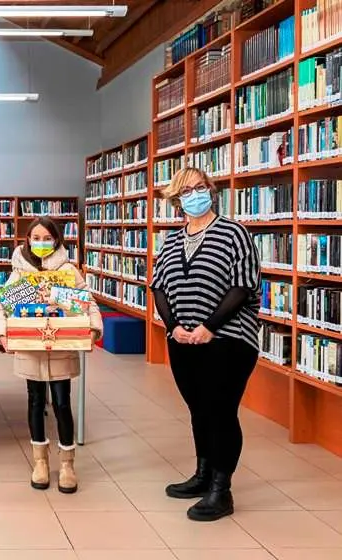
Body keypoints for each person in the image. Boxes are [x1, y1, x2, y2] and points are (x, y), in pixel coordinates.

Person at [151, 167, 261, 522]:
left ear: (212, 191)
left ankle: (221, 489)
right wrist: (174, 327)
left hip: (228, 338)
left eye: (200, 187)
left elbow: (243, 286)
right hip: (183, 340)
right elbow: (158, 287)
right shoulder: (171, 240)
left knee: (221, 410)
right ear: (176, 200)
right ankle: (202, 475)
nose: (195, 195)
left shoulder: (234, 233)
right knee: (198, 408)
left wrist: (209, 326)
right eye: (186, 191)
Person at [0, 217, 102, 494]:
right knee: (35, 401)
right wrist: (1, 333)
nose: (41, 243)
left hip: (62, 346)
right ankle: (39, 461)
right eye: (35, 238)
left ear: (57, 240)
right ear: (28, 240)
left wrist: (93, 329)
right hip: (31, 348)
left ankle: (67, 464)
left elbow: (87, 302)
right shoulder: (20, 272)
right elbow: (2, 308)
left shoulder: (67, 270)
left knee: (63, 403)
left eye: (46, 237)